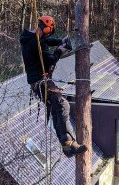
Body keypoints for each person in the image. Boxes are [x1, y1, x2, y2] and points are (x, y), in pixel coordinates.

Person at [20, 15, 87, 158]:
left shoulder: (32, 38)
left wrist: (60, 41)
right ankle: (69, 143)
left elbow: (46, 41)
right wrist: (60, 50)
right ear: (46, 28)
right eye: (49, 31)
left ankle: (67, 146)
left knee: (57, 108)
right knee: (63, 105)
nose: (49, 34)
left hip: (39, 82)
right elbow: (50, 59)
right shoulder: (35, 43)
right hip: (41, 82)